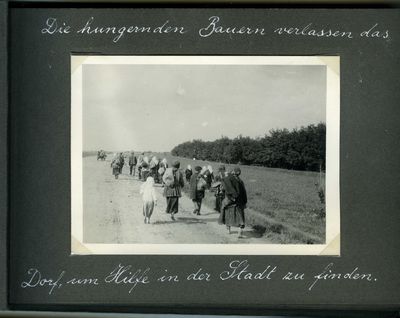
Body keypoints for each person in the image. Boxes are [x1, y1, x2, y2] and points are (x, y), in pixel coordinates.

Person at [219, 167, 247, 238]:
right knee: (240, 217)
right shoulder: (241, 181)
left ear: (233, 172)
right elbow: (244, 192)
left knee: (226, 212)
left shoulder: (228, 179)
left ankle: (228, 230)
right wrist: (244, 202)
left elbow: (223, 189)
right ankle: (240, 233)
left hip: (230, 200)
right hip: (239, 202)